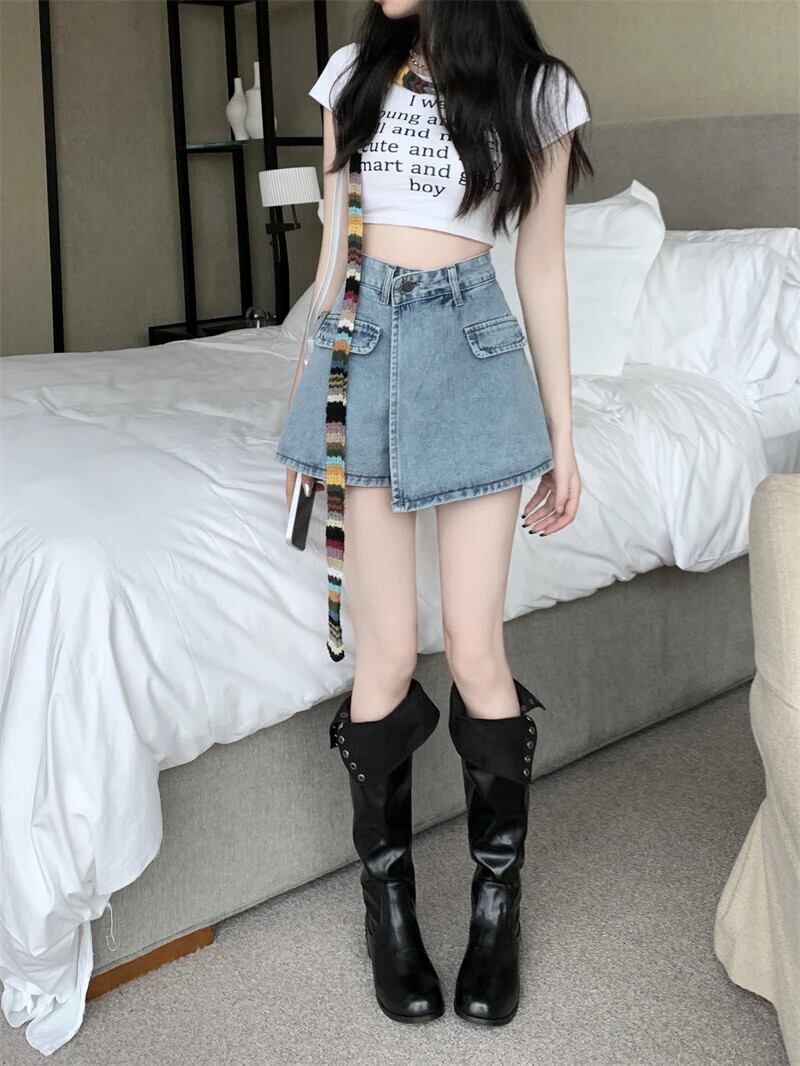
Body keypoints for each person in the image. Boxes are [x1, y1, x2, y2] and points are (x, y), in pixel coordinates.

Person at [275, 0, 592, 1027]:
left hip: (474, 347)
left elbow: (539, 267)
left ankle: (496, 914)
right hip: (362, 350)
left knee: (474, 645)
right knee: (382, 656)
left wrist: (563, 437)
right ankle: (391, 913)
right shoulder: (351, 74)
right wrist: (304, 415)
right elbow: (333, 256)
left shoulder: (538, 91)